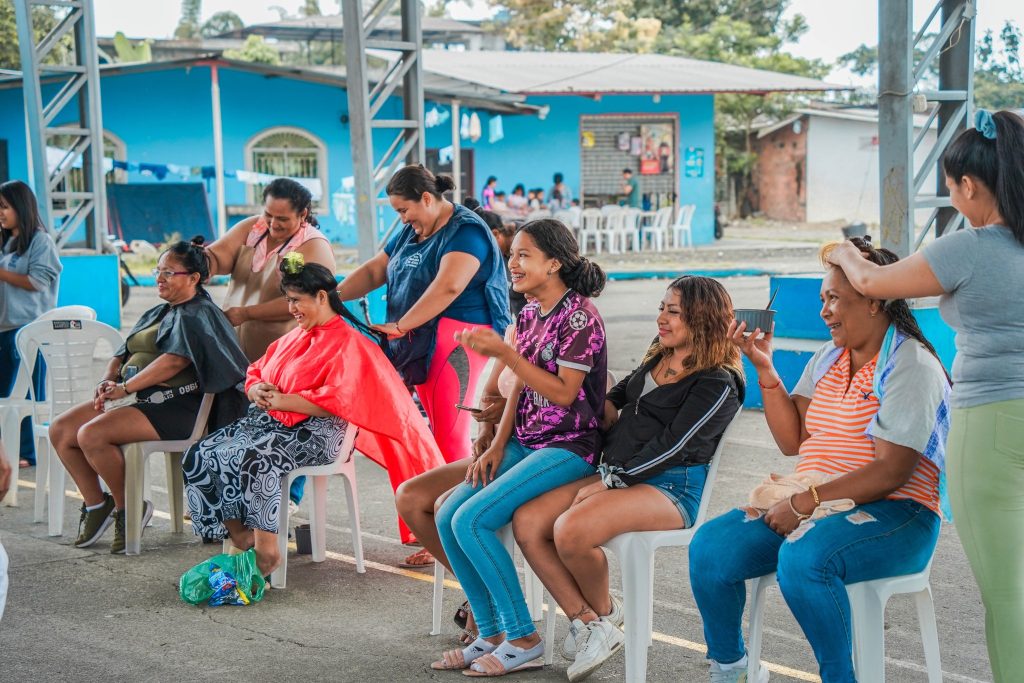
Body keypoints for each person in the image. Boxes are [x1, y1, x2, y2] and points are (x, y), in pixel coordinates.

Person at [689, 240, 951, 683]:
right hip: (816, 497)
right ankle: (732, 668)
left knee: (806, 556)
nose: (824, 311)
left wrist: (806, 501)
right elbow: (793, 439)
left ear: (873, 299)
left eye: (834, 298)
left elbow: (892, 472)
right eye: (822, 299)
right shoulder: (828, 357)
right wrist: (765, 369)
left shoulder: (910, 364)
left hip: (897, 512)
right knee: (711, 549)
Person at [825, 109, 1024, 682]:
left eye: (951, 186)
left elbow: (871, 283)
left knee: (1007, 593)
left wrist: (842, 252)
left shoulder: (973, 247)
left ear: (968, 185)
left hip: (992, 424)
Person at [513, 275, 744, 682]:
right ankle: (594, 622)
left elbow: (674, 446)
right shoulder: (660, 357)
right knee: (529, 521)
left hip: (671, 486)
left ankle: (601, 616)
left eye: (673, 312)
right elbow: (615, 400)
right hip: (618, 475)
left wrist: (610, 480)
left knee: (570, 530)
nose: (662, 318)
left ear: (703, 318)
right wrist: (568, 389)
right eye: (661, 308)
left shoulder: (718, 381)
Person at [184, 258, 444, 577]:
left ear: (322, 297)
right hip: (270, 426)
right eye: (289, 299)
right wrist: (255, 389)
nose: (291, 308)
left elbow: (341, 398)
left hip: (320, 436)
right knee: (201, 454)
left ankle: (268, 552)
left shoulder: (350, 342)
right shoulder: (295, 337)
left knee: (256, 460)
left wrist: (283, 399)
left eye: (297, 300)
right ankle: (240, 535)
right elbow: (254, 370)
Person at [431, 218, 608, 676]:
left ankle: (523, 637)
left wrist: (505, 355)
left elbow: (564, 393)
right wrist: (497, 442)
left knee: (473, 520)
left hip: (570, 448)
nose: (513, 263)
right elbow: (520, 391)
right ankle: (490, 633)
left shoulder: (580, 317)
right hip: (526, 441)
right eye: (512, 256)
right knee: (449, 513)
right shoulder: (528, 313)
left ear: (555, 263)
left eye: (524, 255)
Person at [336, 165, 511, 551]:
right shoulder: (415, 229)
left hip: (459, 341)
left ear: (428, 199)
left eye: (404, 210)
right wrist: (334, 298)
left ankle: (456, 535)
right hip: (420, 341)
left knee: (450, 436)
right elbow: (377, 268)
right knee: (423, 433)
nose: (402, 218)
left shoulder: (466, 230)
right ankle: (431, 526)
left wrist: (401, 325)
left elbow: (449, 285)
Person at [48, 239, 249, 555]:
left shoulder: (199, 314)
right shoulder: (160, 310)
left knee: (91, 434)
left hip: (175, 406)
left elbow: (174, 361)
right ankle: (97, 504)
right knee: (60, 430)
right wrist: (108, 380)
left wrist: (126, 389)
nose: (159, 278)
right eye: (159, 271)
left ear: (194, 278)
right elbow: (122, 352)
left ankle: (129, 509)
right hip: (135, 398)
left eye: (169, 273)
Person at [202, 178, 335, 511]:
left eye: (283, 220)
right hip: (239, 352)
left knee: (286, 422)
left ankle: (287, 498)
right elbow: (219, 256)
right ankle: (233, 498)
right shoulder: (252, 229)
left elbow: (309, 299)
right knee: (238, 424)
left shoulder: (312, 246)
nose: (273, 225)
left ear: (303, 215)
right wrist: (199, 264)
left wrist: (246, 312)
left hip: (289, 354)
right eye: (269, 216)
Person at [0, 180, 61, 469]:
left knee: (28, 395)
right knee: (5, 395)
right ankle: (6, 451)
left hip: (29, 330)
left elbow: (37, 281)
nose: (0, 213)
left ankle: (28, 453)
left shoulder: (40, 241)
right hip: (4, 328)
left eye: (4, 207)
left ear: (21, 207)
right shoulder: (7, 242)